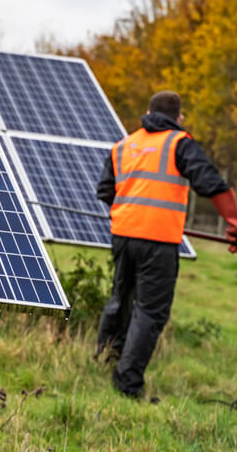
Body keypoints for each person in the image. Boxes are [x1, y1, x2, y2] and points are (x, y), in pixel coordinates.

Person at [95, 90, 237, 398]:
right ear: (179, 118)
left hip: (122, 236)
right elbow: (211, 182)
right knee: (150, 311)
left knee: (120, 298)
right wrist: (234, 222)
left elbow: (106, 190)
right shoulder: (179, 142)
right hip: (158, 242)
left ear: (147, 112)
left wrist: (129, 214)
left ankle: (103, 358)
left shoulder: (124, 145)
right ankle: (127, 384)